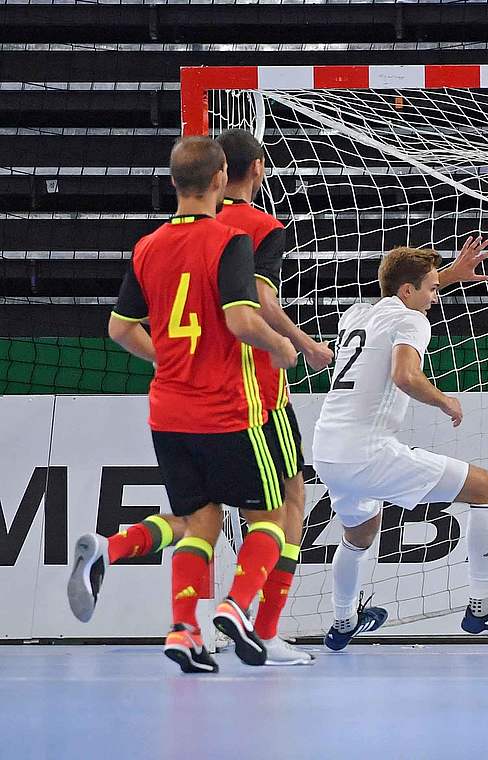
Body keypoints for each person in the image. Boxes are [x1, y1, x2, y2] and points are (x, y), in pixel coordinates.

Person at [66, 137, 298, 673]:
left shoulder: (147, 246)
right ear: (220, 179)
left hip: (168, 413)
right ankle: (236, 607)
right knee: (272, 515)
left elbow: (119, 328)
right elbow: (241, 320)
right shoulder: (230, 240)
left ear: (173, 182)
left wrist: (166, 358)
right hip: (226, 410)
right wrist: (282, 346)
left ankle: (184, 630)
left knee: (201, 521)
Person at [311, 243, 488, 650]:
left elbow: (403, 293)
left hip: (328, 450)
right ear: (408, 291)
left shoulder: (357, 314)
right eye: (432, 289)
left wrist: (451, 275)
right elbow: (405, 376)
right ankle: (483, 606)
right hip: (368, 452)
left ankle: (343, 621)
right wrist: (444, 400)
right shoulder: (412, 321)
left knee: (360, 533)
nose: (436, 297)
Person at [214, 128, 334, 665]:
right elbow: (262, 302)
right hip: (258, 387)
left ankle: (199, 621)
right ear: (258, 168)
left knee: (207, 515)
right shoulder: (263, 227)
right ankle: (258, 624)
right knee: (289, 502)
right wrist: (304, 344)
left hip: (199, 386)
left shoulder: (187, 229)